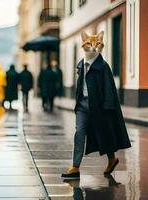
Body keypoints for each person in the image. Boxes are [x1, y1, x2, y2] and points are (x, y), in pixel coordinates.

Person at [61, 31, 131, 179]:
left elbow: (109, 87)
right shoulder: (81, 65)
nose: (93, 47)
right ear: (83, 44)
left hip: (99, 106)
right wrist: (77, 102)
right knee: (79, 133)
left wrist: (108, 106)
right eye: (89, 43)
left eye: (97, 43)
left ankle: (112, 159)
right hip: (82, 105)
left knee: (104, 133)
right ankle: (75, 167)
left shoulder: (103, 66)